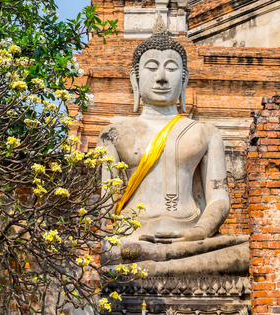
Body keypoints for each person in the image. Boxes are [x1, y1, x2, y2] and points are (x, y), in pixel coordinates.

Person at [99, 20, 248, 276]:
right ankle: (154, 256)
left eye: (171, 68)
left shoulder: (205, 132)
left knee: (242, 253)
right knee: (114, 253)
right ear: (135, 79)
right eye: (152, 68)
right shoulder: (115, 133)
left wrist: (199, 231)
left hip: (193, 242)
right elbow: (105, 205)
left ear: (185, 79)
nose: (161, 77)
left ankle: (161, 257)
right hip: (134, 238)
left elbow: (219, 199)